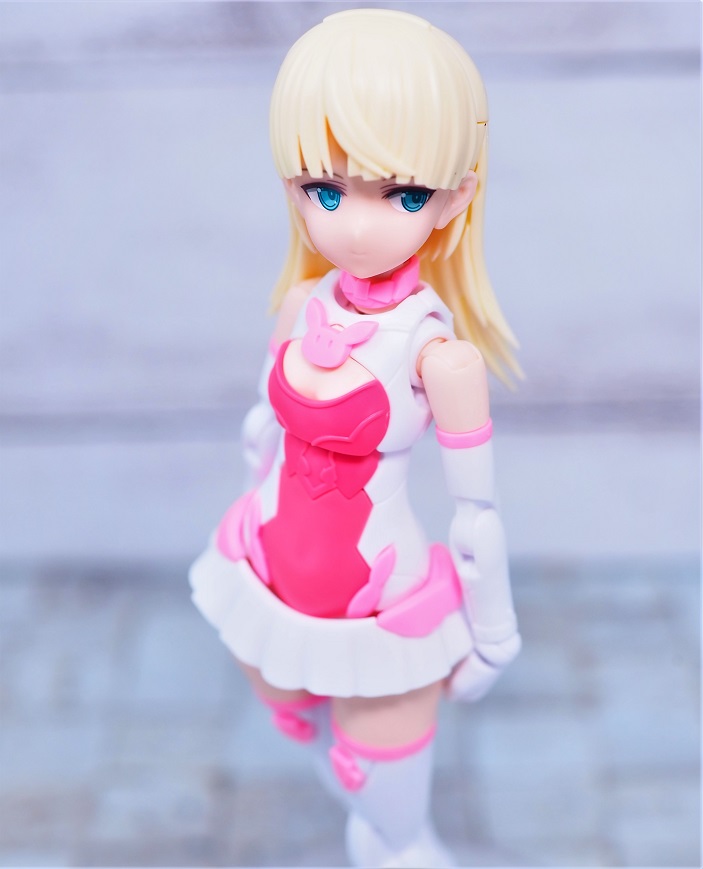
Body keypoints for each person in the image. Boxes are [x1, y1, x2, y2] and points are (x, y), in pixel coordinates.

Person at [190, 9, 521, 867]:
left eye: (402, 194)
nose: (357, 226)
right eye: (325, 190)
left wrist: (494, 629)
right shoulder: (302, 307)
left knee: (395, 830)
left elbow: (476, 513)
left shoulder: (440, 356)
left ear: (453, 198)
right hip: (268, 574)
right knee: (316, 746)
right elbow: (262, 432)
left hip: (376, 607)